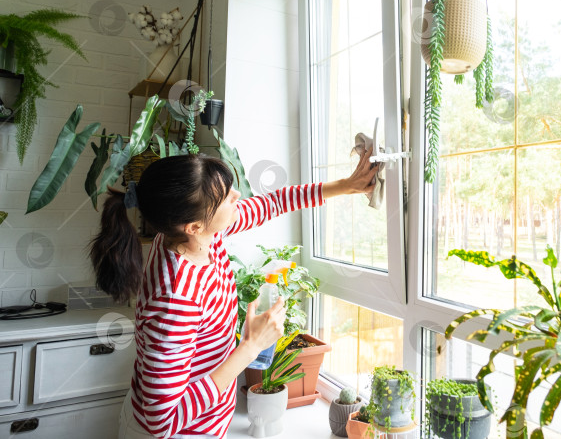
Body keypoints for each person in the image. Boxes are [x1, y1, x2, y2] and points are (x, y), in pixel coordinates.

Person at [89, 151, 378, 439]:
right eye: (226, 197)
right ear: (194, 226)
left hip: (207, 426)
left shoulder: (200, 236)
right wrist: (251, 348)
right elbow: (162, 422)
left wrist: (346, 185)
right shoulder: (176, 299)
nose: (237, 196)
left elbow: (271, 204)